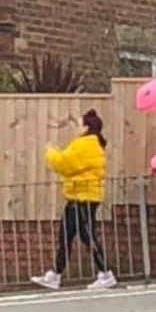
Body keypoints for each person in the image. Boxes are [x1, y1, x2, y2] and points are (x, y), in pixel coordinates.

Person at [31, 109, 116, 290]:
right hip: (78, 196)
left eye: (78, 124)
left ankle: (105, 273)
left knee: (87, 235)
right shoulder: (90, 144)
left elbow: (65, 163)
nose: (75, 129)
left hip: (83, 197)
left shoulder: (85, 144)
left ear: (86, 127)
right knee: (66, 235)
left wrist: (50, 152)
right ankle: (56, 274)